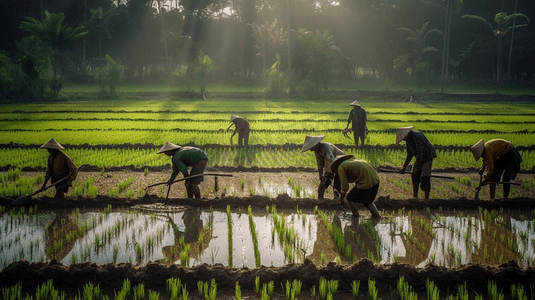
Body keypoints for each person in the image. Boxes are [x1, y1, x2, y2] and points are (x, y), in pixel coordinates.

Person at [396, 126, 436, 199]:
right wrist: (404, 166)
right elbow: (410, 154)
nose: (403, 140)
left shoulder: (416, 136)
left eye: (403, 138)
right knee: (414, 175)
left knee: (425, 177)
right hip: (419, 156)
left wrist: (416, 167)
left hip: (427, 156)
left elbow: (420, 153)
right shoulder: (408, 140)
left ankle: (426, 199)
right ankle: (415, 197)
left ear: (406, 134)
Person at [300, 135, 345, 199]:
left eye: (311, 148)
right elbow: (320, 164)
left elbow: (329, 162)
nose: (311, 150)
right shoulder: (317, 151)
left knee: (336, 185)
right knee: (322, 185)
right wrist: (320, 175)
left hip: (341, 164)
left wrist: (326, 177)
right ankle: (320, 200)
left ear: (316, 144)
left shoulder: (327, 147)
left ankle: (338, 201)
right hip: (333, 166)